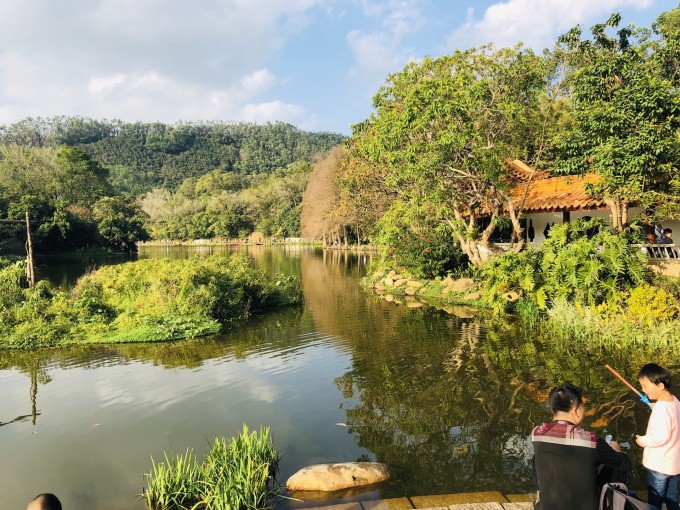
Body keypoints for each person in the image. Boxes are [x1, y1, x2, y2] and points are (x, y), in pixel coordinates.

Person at [531, 382, 631, 510]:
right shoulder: (591, 440)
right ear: (576, 411)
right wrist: (616, 451)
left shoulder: (537, 433)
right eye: (583, 407)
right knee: (620, 465)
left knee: (536, 459)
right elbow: (625, 464)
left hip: (547, 507)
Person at [636, 363, 680, 510]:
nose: (643, 390)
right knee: (671, 497)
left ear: (660, 386)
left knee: (655, 500)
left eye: (645, 386)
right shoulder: (674, 401)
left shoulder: (662, 409)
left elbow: (661, 437)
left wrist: (643, 441)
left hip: (659, 466)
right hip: (674, 464)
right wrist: (654, 406)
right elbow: (671, 418)